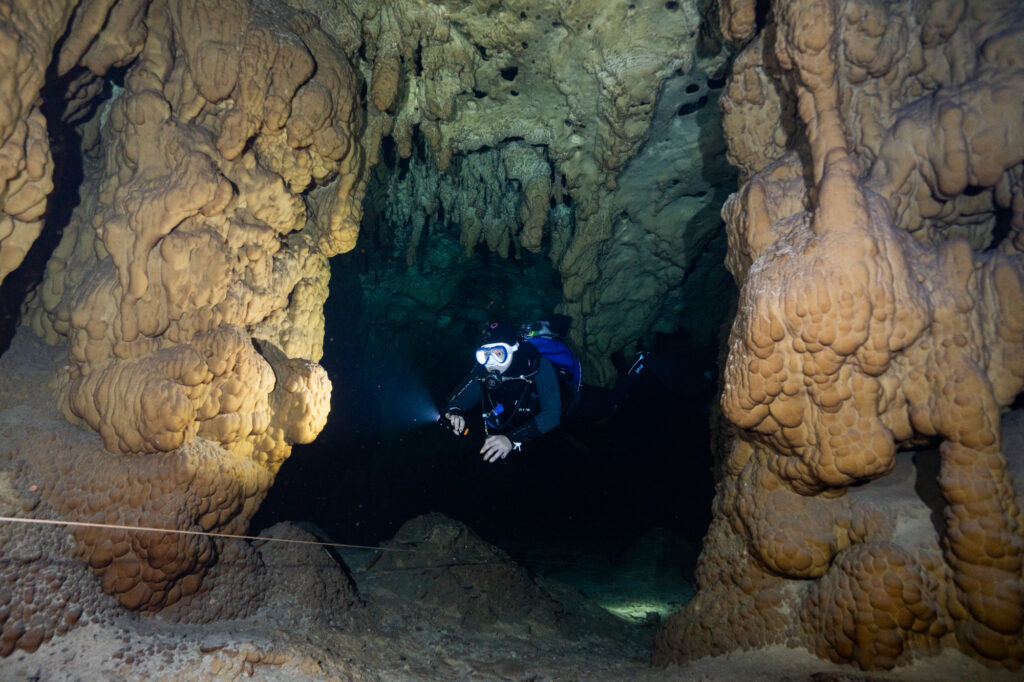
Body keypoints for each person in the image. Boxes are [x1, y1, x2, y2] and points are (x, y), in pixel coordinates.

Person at [441, 319, 646, 463]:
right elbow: (461, 395)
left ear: (513, 350)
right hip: (535, 425)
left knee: (617, 404)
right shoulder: (484, 370)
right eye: (484, 355)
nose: (490, 362)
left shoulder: (538, 366)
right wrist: (455, 410)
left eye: (498, 353)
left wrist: (511, 439)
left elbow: (551, 415)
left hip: (571, 406)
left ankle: (638, 364)